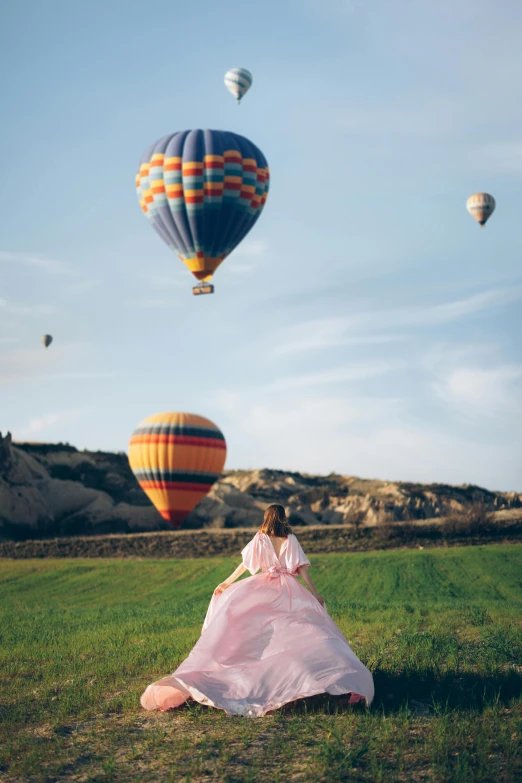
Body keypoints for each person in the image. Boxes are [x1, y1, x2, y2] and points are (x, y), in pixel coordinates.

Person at [140, 504, 374, 717]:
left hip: (263, 587)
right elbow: (302, 569)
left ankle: (258, 675)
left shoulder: (261, 538)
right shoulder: (289, 538)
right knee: (298, 629)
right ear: (283, 518)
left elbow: (245, 564)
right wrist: (314, 593)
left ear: (267, 517)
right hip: (287, 589)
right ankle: (311, 677)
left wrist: (227, 581)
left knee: (254, 629)